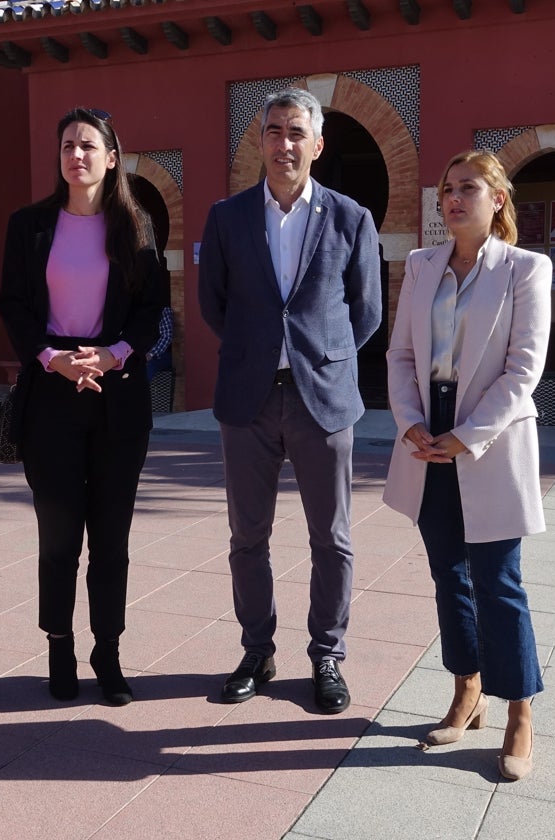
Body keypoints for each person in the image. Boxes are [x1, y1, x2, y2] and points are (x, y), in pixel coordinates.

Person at [198, 88, 381, 714]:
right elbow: (212, 305)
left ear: (317, 144)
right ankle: (257, 650)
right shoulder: (227, 217)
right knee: (247, 536)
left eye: (296, 132)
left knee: (331, 538)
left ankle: (327, 654)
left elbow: (367, 311)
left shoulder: (351, 217)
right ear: (261, 140)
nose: (284, 144)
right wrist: (260, 350)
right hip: (247, 399)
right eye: (274, 131)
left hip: (322, 400)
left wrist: (317, 357)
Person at [382, 150, 549, 781]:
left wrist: (467, 436)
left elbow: (523, 370)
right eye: (447, 190)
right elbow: (400, 356)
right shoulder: (421, 265)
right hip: (429, 443)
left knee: (498, 582)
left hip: (492, 443)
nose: (453, 199)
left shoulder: (525, 269)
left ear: (498, 198)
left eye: (468, 188)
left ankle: (520, 713)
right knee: (449, 575)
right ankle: (466, 690)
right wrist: (410, 423)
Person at [0, 107, 167, 706]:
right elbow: (14, 303)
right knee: (59, 535)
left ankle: (109, 651)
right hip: (51, 391)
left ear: (111, 157)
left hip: (118, 396)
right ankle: (60, 647)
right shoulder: (30, 225)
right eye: (67, 144)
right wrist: (51, 358)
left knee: (111, 539)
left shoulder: (137, 225)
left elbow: (153, 311)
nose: (77, 155)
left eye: (89, 145)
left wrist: (116, 354)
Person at [144, 304, 174, 382]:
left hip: (161, 354)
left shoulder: (163, 311)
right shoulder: (136, 314)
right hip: (142, 353)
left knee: (148, 366)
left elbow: (167, 336)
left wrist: (151, 354)